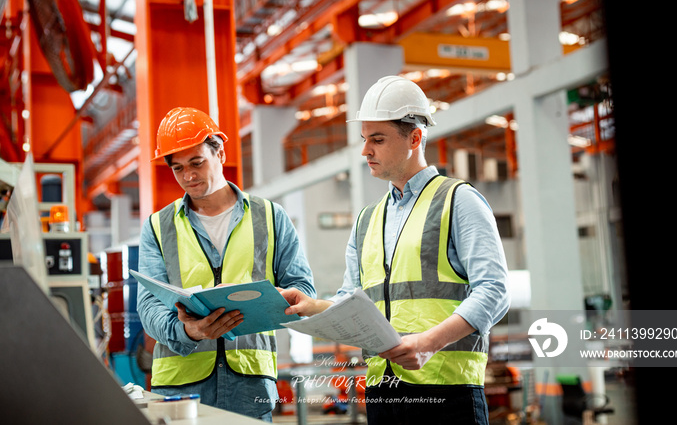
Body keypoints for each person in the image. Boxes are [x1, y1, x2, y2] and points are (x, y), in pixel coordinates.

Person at [280, 76, 510, 424]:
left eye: (378, 139)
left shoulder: (458, 201)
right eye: (364, 139)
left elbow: (495, 291)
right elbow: (355, 305)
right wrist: (315, 307)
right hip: (383, 394)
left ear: (414, 138)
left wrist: (428, 343)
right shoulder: (368, 219)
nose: (365, 150)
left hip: (446, 392)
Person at [136, 107, 316, 421]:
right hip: (180, 388)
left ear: (220, 152)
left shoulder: (270, 217)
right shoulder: (158, 226)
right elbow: (149, 305)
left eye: (196, 162)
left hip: (249, 383)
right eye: (178, 168)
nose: (189, 176)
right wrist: (188, 331)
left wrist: (270, 298)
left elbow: (303, 289)